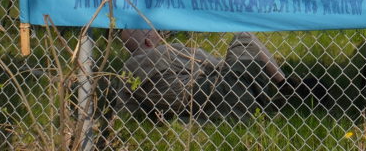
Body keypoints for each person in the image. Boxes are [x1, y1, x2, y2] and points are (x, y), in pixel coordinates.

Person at [117, 29, 324, 116]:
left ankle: (275, 95)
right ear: (147, 41)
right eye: (153, 31)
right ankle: (284, 84)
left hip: (204, 110)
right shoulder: (167, 51)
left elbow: (124, 110)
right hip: (228, 92)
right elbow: (216, 66)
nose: (159, 32)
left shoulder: (124, 73)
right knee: (243, 37)